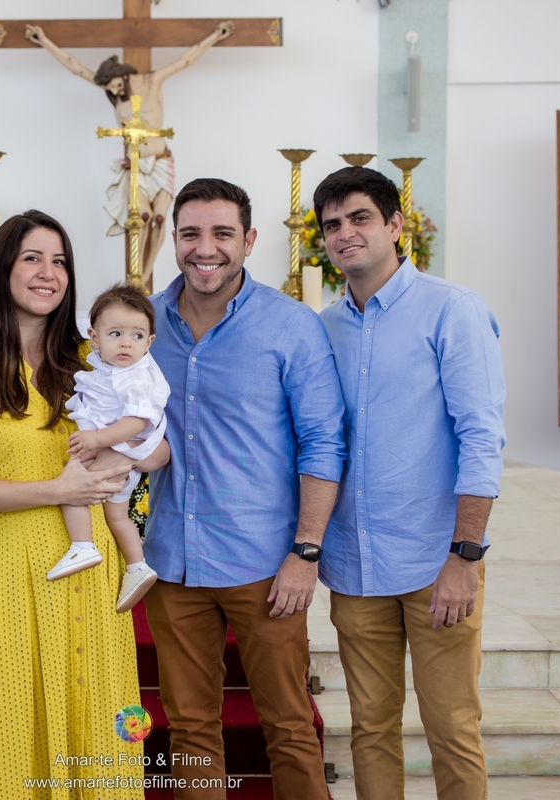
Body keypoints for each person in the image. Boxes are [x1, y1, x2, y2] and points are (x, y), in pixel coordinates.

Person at [0, 210, 159, 799]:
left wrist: (132, 458)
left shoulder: (95, 364)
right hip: (17, 565)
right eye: (32, 258)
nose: (48, 272)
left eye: (59, 261)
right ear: (2, 268)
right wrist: (57, 491)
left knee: (98, 712)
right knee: (16, 713)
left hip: (96, 561)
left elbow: (154, 440)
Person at [143, 178, 346, 798]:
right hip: (171, 562)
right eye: (191, 234)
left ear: (249, 240)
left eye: (222, 233)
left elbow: (323, 443)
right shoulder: (142, 324)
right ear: (174, 241)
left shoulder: (291, 327)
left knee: (287, 724)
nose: (206, 249)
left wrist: (305, 550)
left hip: (263, 563)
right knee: (190, 730)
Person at [315, 166, 506, 800]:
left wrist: (465, 556)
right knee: (369, 727)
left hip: (434, 560)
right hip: (354, 563)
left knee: (451, 725)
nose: (345, 234)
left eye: (360, 218)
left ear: (396, 225)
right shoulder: (324, 326)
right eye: (332, 225)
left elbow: (482, 438)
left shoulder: (453, 310)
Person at [24, 21, 233, 289]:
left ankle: (144, 275)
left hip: (160, 163)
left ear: (122, 75)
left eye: (113, 85)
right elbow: (76, 67)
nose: (112, 91)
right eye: (108, 88)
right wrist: (43, 40)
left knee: (160, 220)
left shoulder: (151, 81)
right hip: (135, 166)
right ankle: (137, 278)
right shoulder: (115, 93)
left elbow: (185, 60)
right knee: (141, 219)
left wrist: (215, 35)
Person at [50, 284, 169, 613]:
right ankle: (136, 566)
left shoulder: (137, 378)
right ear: (94, 337)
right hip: (123, 458)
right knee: (117, 516)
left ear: (150, 342)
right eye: (116, 333)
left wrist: (96, 440)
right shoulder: (109, 371)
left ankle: (82, 545)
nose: (126, 343)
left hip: (116, 452)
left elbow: (137, 422)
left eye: (137, 336)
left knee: (69, 488)